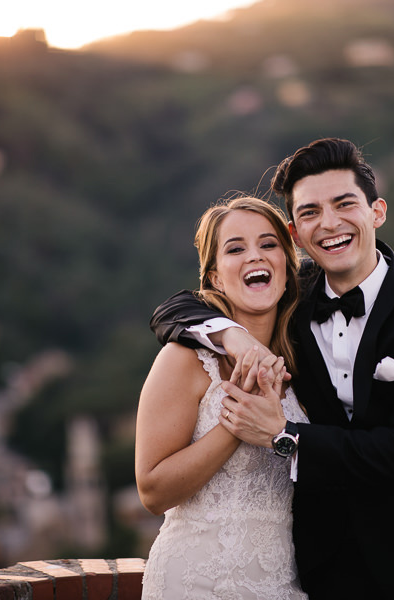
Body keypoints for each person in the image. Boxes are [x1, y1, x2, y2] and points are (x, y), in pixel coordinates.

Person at [150, 138, 394, 599]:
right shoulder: (289, 302)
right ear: (296, 232)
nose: (329, 223)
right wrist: (234, 335)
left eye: (344, 204)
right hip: (319, 566)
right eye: (309, 213)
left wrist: (283, 434)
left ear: (377, 211)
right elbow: (176, 309)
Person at [136, 197, 310, 599]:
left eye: (269, 245)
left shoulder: (305, 366)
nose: (255, 256)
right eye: (235, 248)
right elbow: (152, 491)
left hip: (282, 584)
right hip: (194, 584)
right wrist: (238, 424)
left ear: (286, 264)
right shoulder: (184, 360)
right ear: (214, 278)